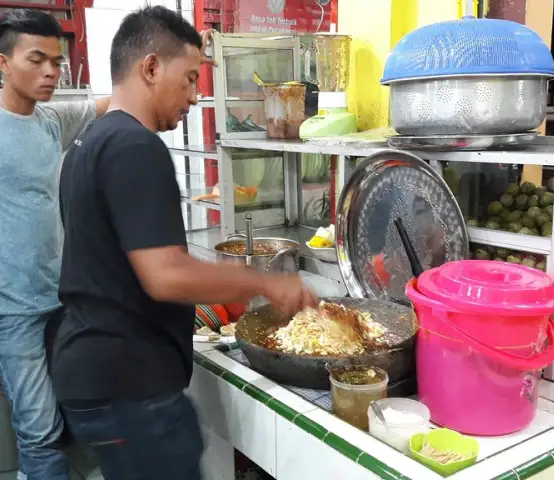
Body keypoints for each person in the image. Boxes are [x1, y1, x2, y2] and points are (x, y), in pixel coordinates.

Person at [47, 6, 318, 480]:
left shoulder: (91, 142)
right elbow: (164, 274)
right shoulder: (136, 146)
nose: (195, 96)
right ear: (150, 67)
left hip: (96, 370)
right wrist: (266, 283)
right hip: (128, 384)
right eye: (189, 78)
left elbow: (120, 265)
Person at [0, 9, 110, 480]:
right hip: (13, 312)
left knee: (79, 420)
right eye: (37, 60)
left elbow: (110, 104)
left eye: (57, 62)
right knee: (39, 431)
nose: (50, 72)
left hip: (61, 301)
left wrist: (168, 69)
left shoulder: (49, 122)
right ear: (3, 63)